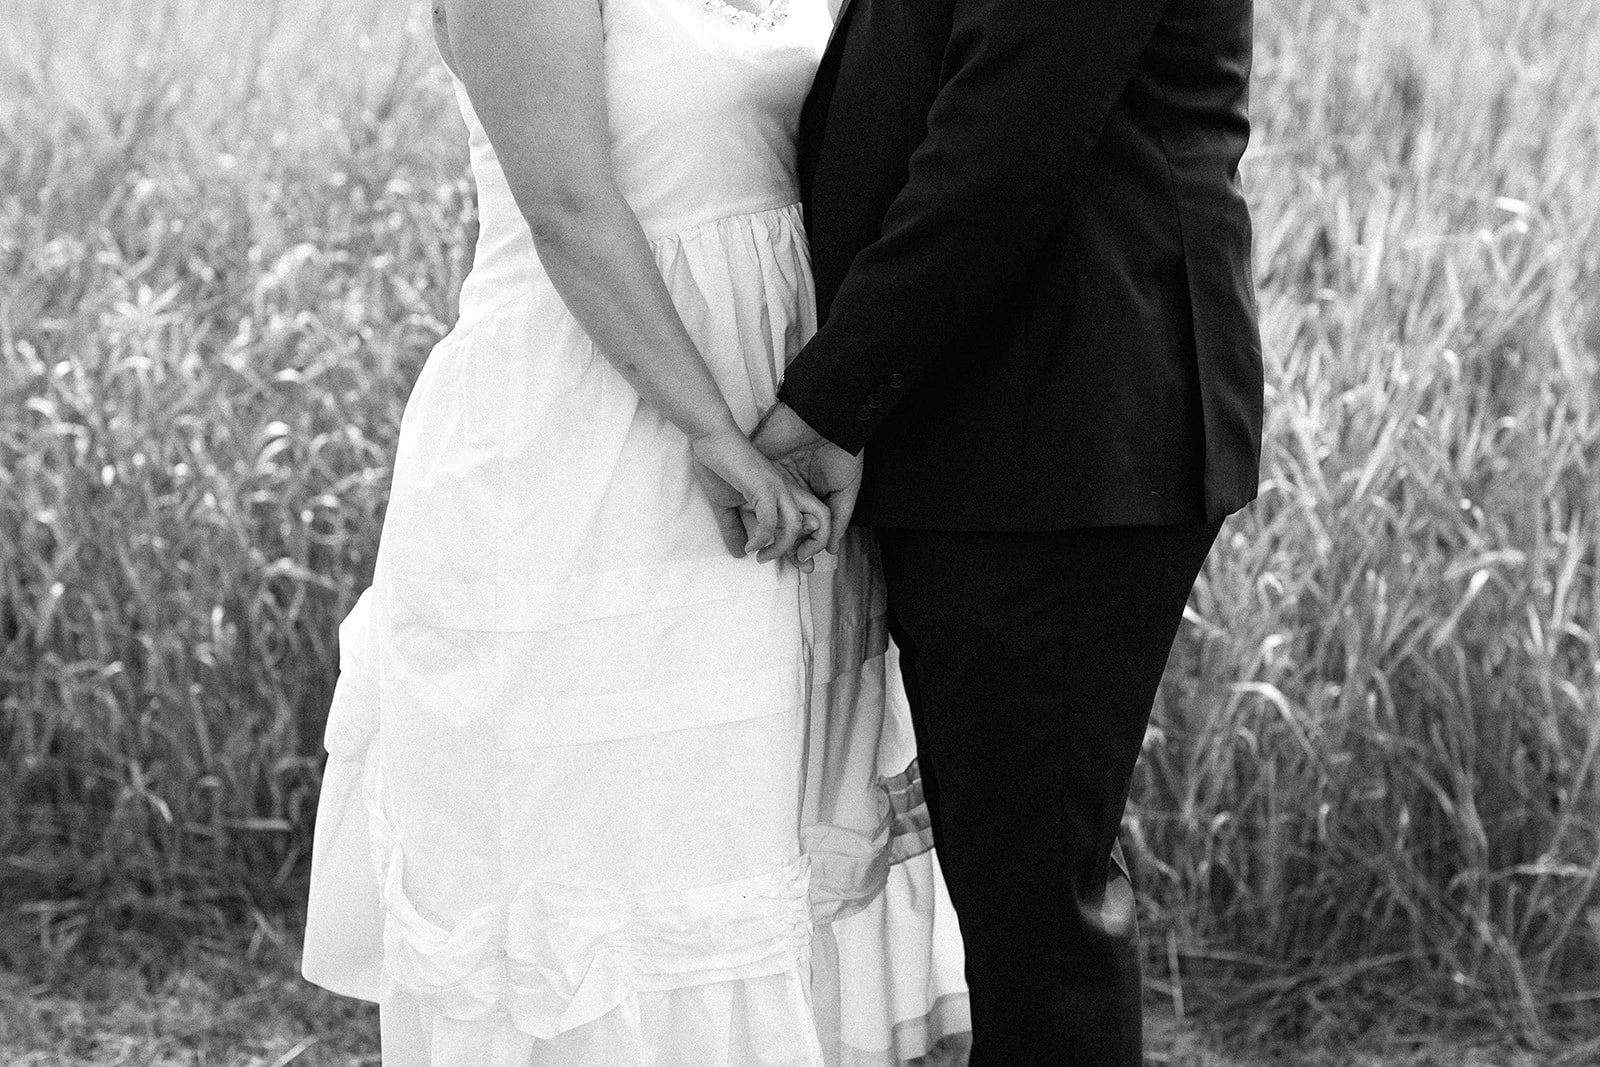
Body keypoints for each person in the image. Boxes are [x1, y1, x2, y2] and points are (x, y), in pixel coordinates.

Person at [298, 0, 971, 1062]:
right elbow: (567, 204)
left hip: (781, 427)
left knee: (749, 842)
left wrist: (830, 406)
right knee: (610, 842)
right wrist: (714, 432)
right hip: (593, 438)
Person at [746, 0, 1266, 1063]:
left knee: (1036, 911)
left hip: (1053, 442)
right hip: (1009, 435)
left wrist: (830, 401)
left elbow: (1000, 150)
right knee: (1020, 885)